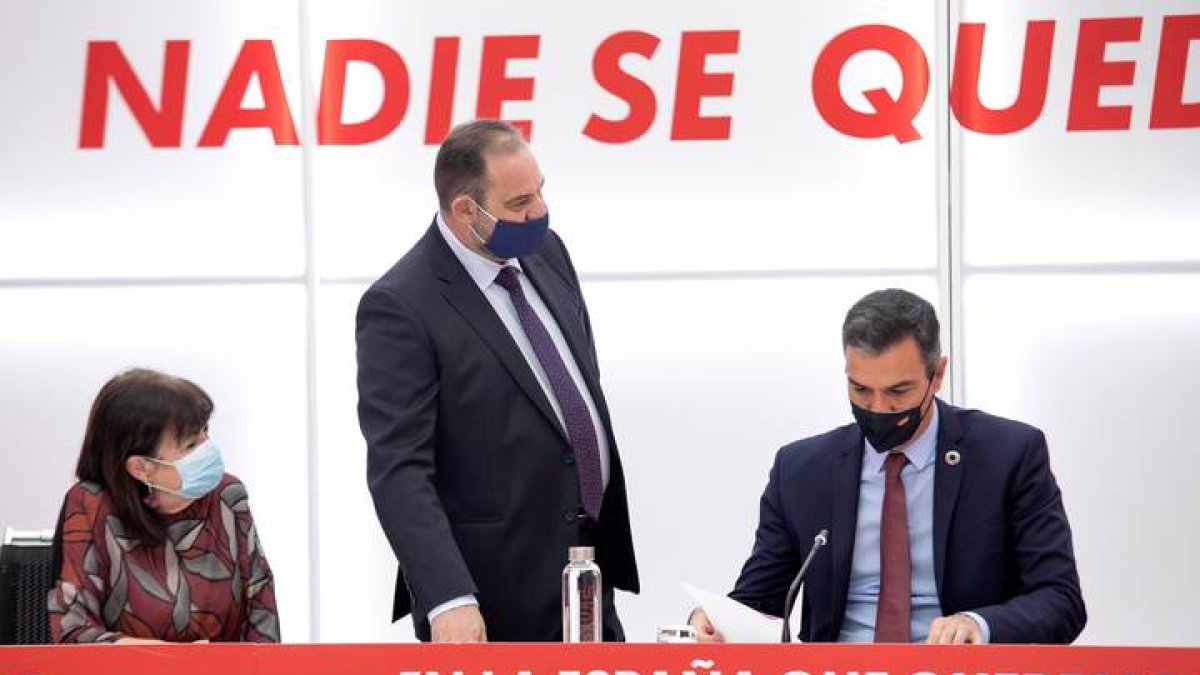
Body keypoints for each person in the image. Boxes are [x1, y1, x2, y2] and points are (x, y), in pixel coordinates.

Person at [356, 119, 638, 642]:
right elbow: (399, 469)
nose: (539, 213)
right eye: (518, 203)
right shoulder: (401, 305)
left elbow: (572, 391)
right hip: (489, 601)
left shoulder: (547, 252)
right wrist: (447, 597)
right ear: (465, 209)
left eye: (540, 192)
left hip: (585, 581)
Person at [691, 289, 1085, 644]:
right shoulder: (800, 470)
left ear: (938, 374)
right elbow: (759, 601)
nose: (878, 409)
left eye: (898, 391)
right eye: (860, 389)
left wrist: (977, 624)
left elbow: (1060, 601)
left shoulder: (1009, 455)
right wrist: (711, 622)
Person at [47, 368, 279, 643]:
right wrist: (174, 662)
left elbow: (262, 623)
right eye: (191, 444)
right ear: (141, 468)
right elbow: (73, 633)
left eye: (205, 431)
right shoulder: (91, 505)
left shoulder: (228, 496)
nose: (208, 448)